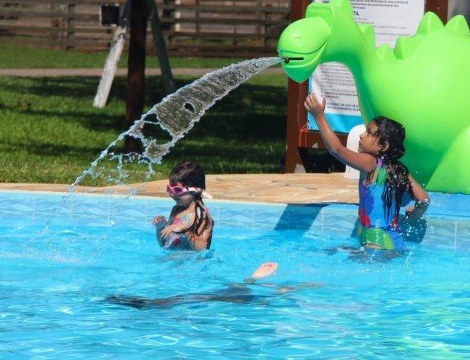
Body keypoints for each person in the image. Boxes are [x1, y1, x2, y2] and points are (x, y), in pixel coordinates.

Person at [304, 93, 430, 253]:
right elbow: (424, 200)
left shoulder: (371, 163)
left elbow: (337, 150)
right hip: (394, 241)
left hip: (374, 243)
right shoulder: (400, 169)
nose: (362, 135)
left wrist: (319, 116)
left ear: (383, 146)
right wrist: (413, 216)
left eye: (369, 133)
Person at [105, 262, 280, 309]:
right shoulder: (244, 291)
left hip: (238, 294)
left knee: (164, 304)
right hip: (237, 293)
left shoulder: (244, 293)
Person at [152, 160, 215, 251]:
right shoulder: (176, 210)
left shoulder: (201, 215)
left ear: (195, 190)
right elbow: (163, 244)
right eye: (170, 189)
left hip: (192, 263)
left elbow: (202, 249)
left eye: (177, 190)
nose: (172, 194)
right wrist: (160, 228)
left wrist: (186, 230)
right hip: (173, 259)